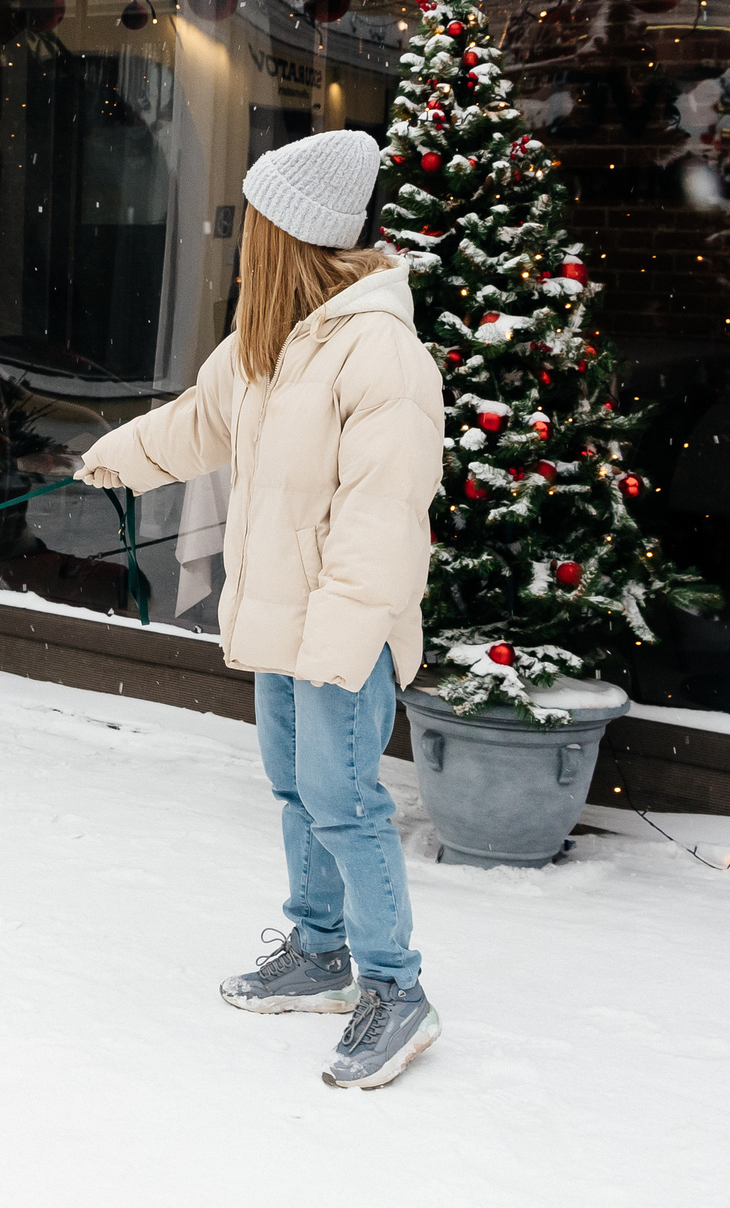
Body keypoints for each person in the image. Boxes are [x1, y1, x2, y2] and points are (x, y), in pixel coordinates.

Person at [76, 130, 446, 1091]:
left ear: (293, 233)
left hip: (341, 630)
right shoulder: (264, 343)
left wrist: (336, 642)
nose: (243, 239)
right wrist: (111, 457)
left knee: (349, 799)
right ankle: (321, 951)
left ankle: (395, 986)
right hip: (284, 621)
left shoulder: (381, 352)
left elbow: (383, 521)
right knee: (295, 787)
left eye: (256, 222)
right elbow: (193, 426)